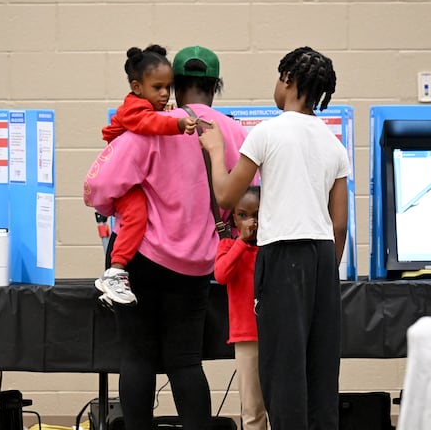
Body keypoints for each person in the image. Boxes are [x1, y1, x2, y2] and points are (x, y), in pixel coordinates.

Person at [83, 45, 249, 430]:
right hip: (196, 264)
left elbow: (100, 186)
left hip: (140, 259)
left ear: (173, 86)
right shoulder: (236, 132)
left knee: (137, 358)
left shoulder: (151, 127)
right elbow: (251, 196)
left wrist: (120, 208)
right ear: (216, 85)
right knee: (186, 361)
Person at [199, 46, 349, 430]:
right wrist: (323, 272)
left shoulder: (267, 131)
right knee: (319, 370)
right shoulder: (333, 143)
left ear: (289, 80)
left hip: (283, 256)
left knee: (283, 370)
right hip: (321, 257)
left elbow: (226, 197)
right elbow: (339, 226)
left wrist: (216, 151)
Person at [95, 44, 198, 306]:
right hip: (125, 182)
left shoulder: (146, 106)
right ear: (137, 87)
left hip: (133, 177)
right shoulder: (134, 108)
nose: (165, 93)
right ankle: (116, 271)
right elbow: (147, 124)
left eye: (168, 87)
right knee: (136, 216)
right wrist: (175, 122)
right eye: (157, 88)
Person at [213, 185, 268, 430]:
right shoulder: (228, 247)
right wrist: (241, 243)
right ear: (234, 219)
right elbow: (222, 274)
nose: (251, 222)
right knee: (252, 406)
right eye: (243, 215)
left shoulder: (273, 248)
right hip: (247, 336)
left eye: (257, 214)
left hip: (276, 334)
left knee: (279, 402)